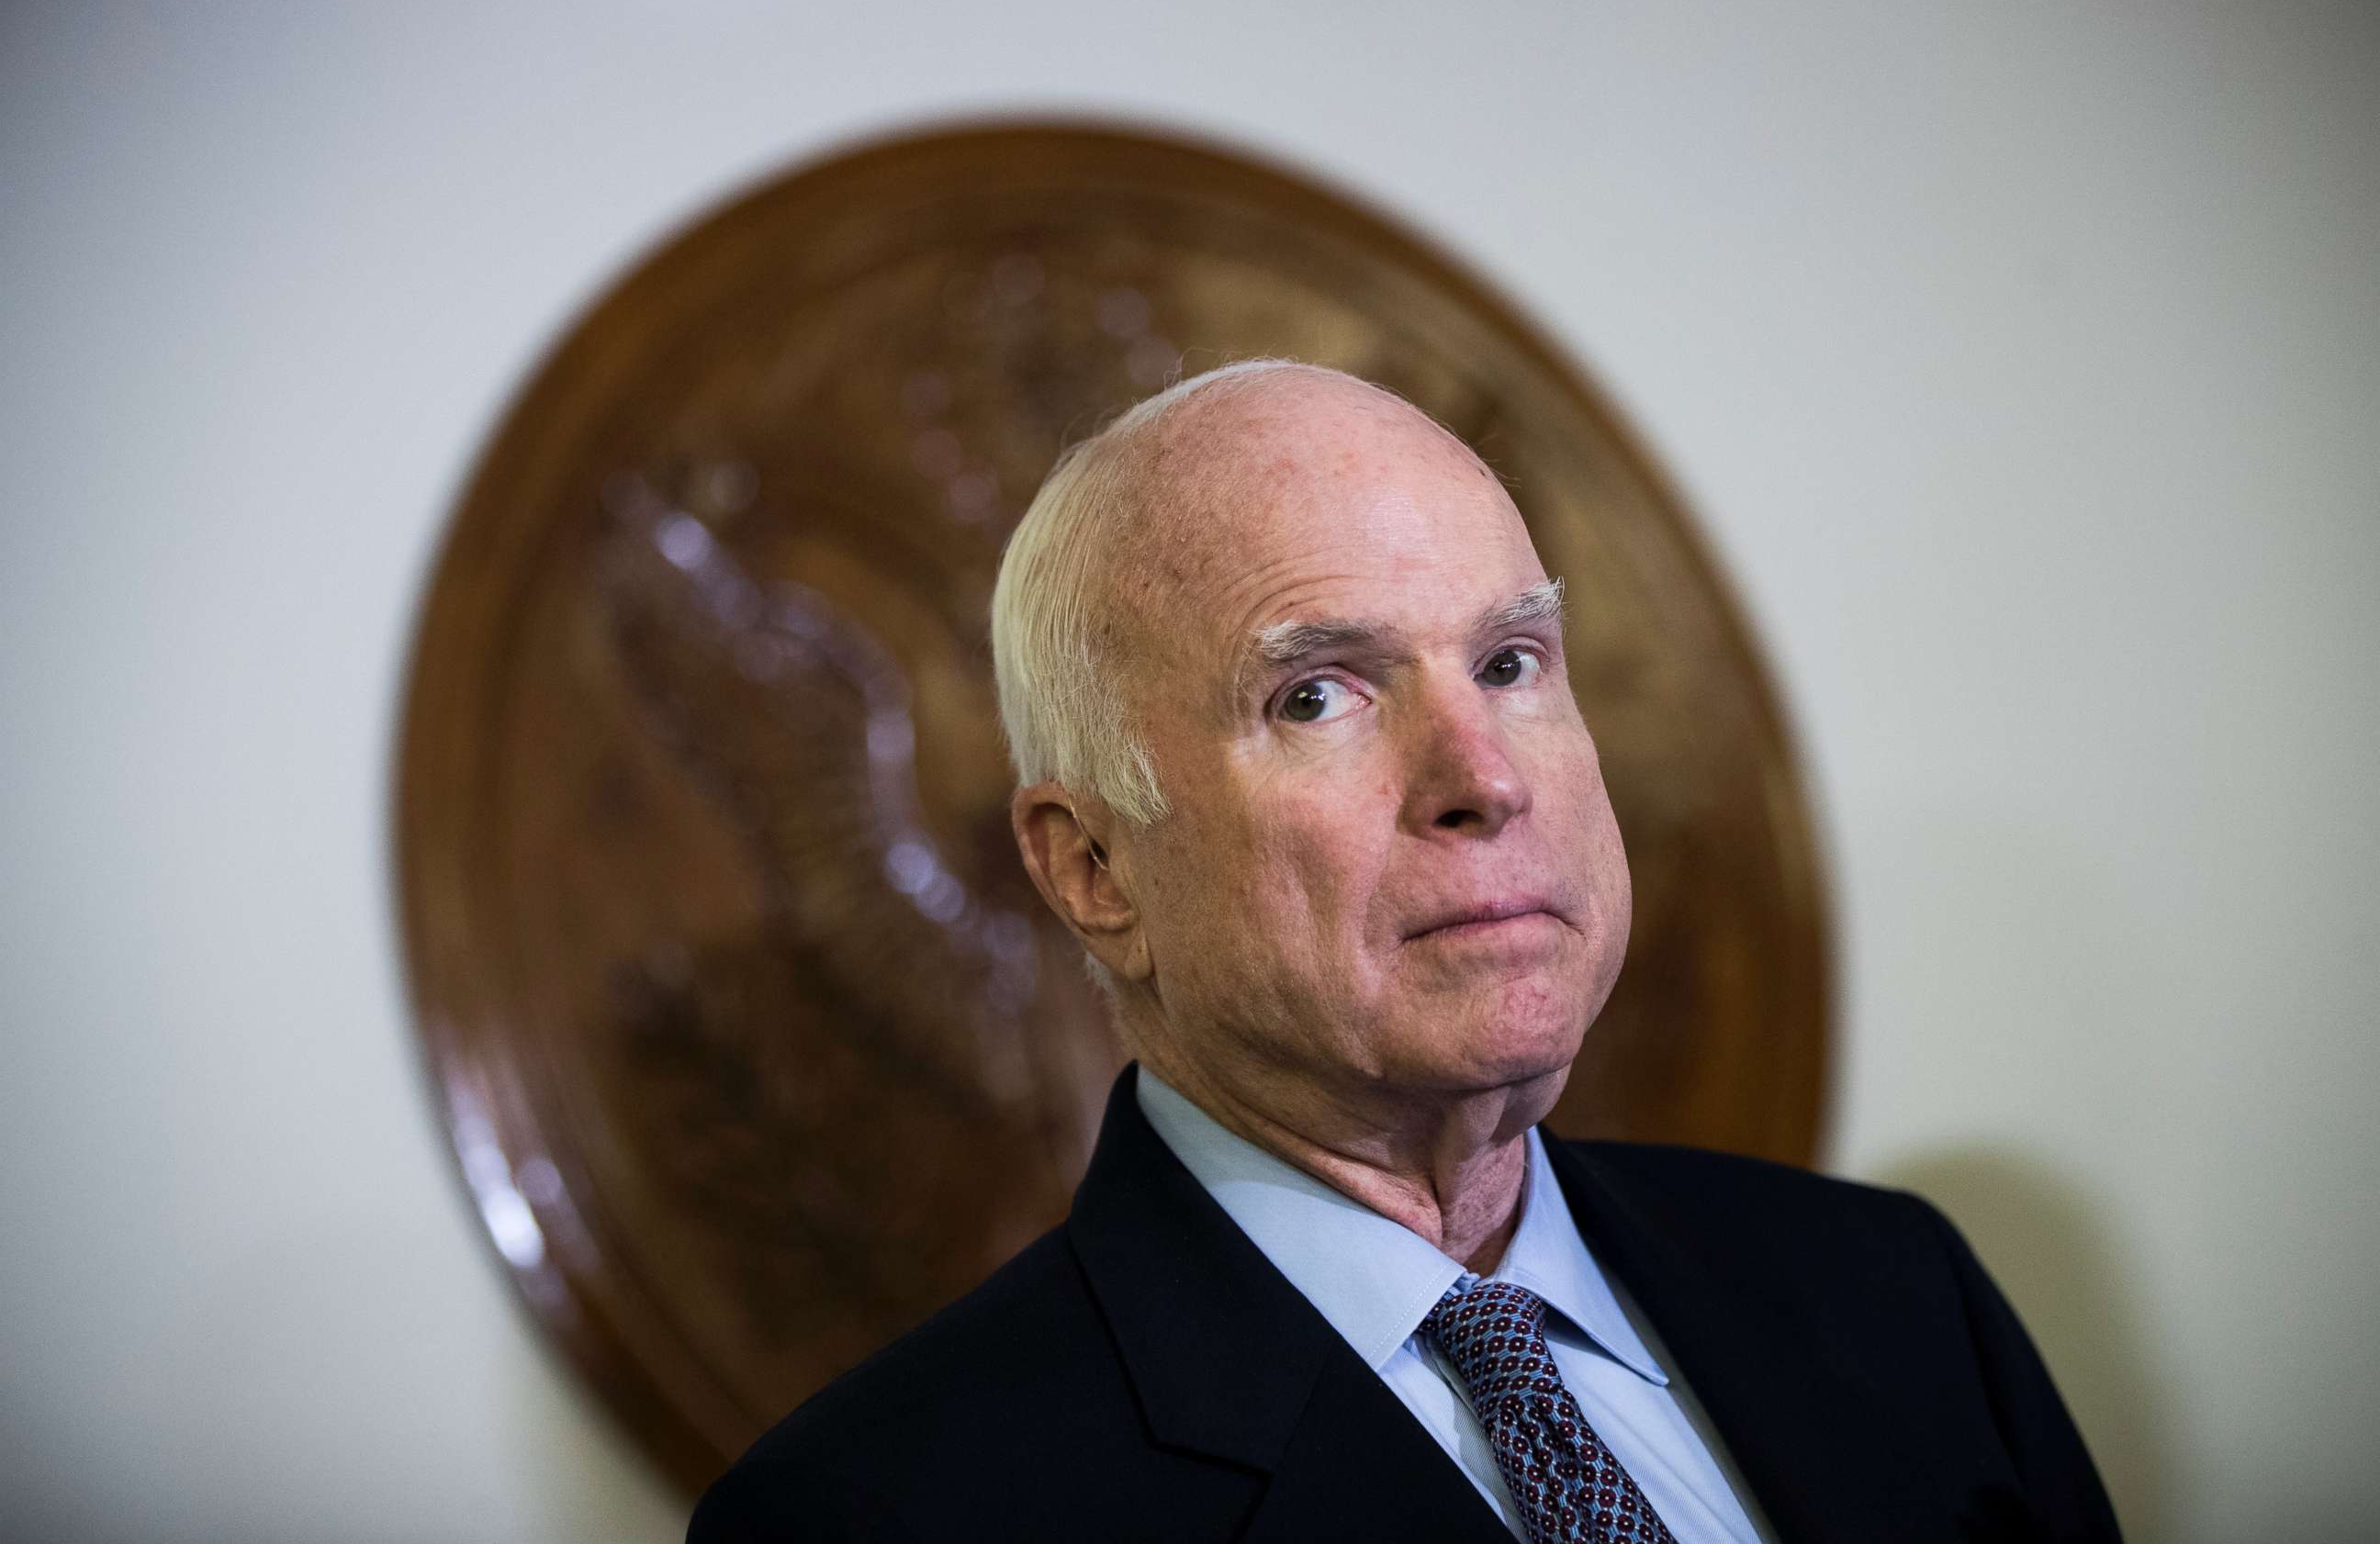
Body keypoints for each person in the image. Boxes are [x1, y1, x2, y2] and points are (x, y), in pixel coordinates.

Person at [689, 361, 2121, 1543]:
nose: (1484, 776)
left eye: (1510, 663)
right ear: (1094, 867)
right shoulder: (876, 1517)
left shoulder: (1898, 1293)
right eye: (1318, 695)